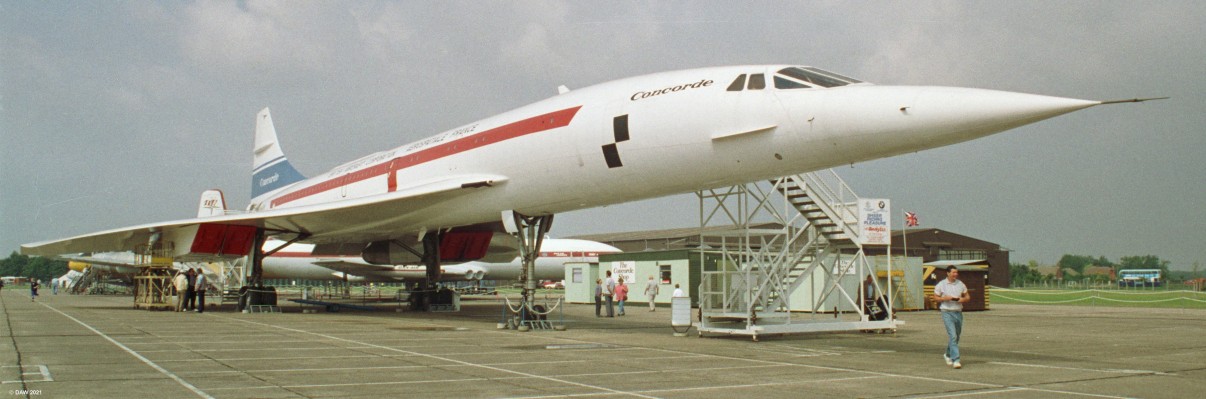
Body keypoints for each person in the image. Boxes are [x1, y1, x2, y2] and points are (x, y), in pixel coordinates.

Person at [933, 266, 970, 369]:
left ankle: (948, 354)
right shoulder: (941, 284)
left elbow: (967, 297)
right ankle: (956, 359)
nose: (955, 274)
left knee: (956, 336)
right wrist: (944, 298)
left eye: (956, 273)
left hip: (958, 312)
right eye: (953, 272)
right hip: (947, 312)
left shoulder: (960, 284)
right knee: (953, 335)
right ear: (948, 273)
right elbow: (935, 298)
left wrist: (963, 300)